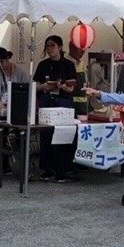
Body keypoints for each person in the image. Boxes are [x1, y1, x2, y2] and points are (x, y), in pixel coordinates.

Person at [33, 35, 77, 183]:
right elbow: (35, 85)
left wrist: (63, 86)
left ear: (60, 47)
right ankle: (47, 169)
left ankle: (62, 171)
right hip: (46, 100)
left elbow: (72, 88)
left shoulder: (69, 65)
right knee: (46, 135)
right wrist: (44, 86)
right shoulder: (42, 64)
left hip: (63, 101)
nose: (50, 49)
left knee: (63, 135)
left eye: (52, 45)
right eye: (47, 46)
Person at [0, 47, 28, 175]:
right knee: (1, 134)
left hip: (17, 110)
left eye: (2, 62)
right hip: (2, 108)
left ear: (7, 59)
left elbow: (26, 90)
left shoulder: (20, 73)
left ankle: (23, 165)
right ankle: (4, 165)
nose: (0, 66)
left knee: (19, 136)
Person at [66, 40, 88, 117]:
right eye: (80, 48)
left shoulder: (82, 64)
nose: (83, 51)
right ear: (71, 48)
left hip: (83, 107)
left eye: (84, 48)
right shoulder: (66, 63)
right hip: (69, 106)